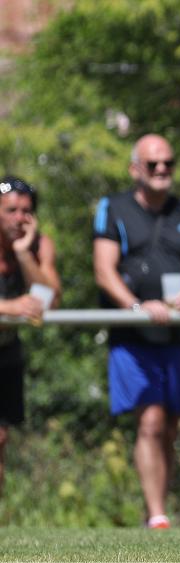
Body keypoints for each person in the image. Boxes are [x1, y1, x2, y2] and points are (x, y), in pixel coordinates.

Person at [93, 134, 180, 529]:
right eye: (153, 164)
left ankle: (161, 507)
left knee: (169, 426)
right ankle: (157, 515)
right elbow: (103, 270)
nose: (162, 170)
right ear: (136, 169)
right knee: (149, 419)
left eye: (168, 163)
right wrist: (136, 306)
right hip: (135, 335)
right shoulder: (112, 208)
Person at [0, 176, 61, 499]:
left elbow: (49, 300)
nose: (19, 218)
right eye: (11, 210)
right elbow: (19, 306)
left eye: (26, 211)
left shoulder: (38, 246)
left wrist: (24, 255)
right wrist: (9, 307)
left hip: (6, 350)